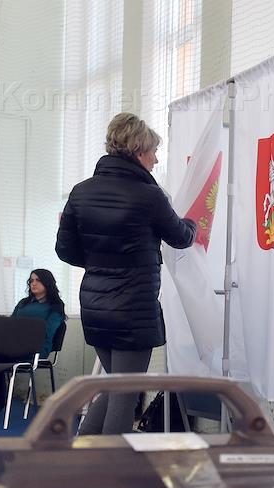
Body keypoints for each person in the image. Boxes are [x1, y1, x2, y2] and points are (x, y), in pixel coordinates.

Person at [55, 112, 197, 434]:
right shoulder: (149, 195)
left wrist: (101, 263)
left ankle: (81, 452)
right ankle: (111, 461)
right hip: (133, 309)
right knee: (124, 395)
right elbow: (180, 237)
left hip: (96, 307)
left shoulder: (80, 192)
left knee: (113, 386)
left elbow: (65, 250)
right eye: (153, 152)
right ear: (138, 151)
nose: (156, 159)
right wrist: (195, 223)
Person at [0, 268, 66, 413]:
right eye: (31, 280)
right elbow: (10, 325)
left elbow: (47, 332)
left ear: (47, 283)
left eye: (38, 280)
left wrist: (21, 335)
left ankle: (0, 398)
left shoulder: (55, 306)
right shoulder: (23, 303)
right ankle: (0, 397)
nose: (33, 283)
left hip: (36, 349)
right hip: (14, 346)